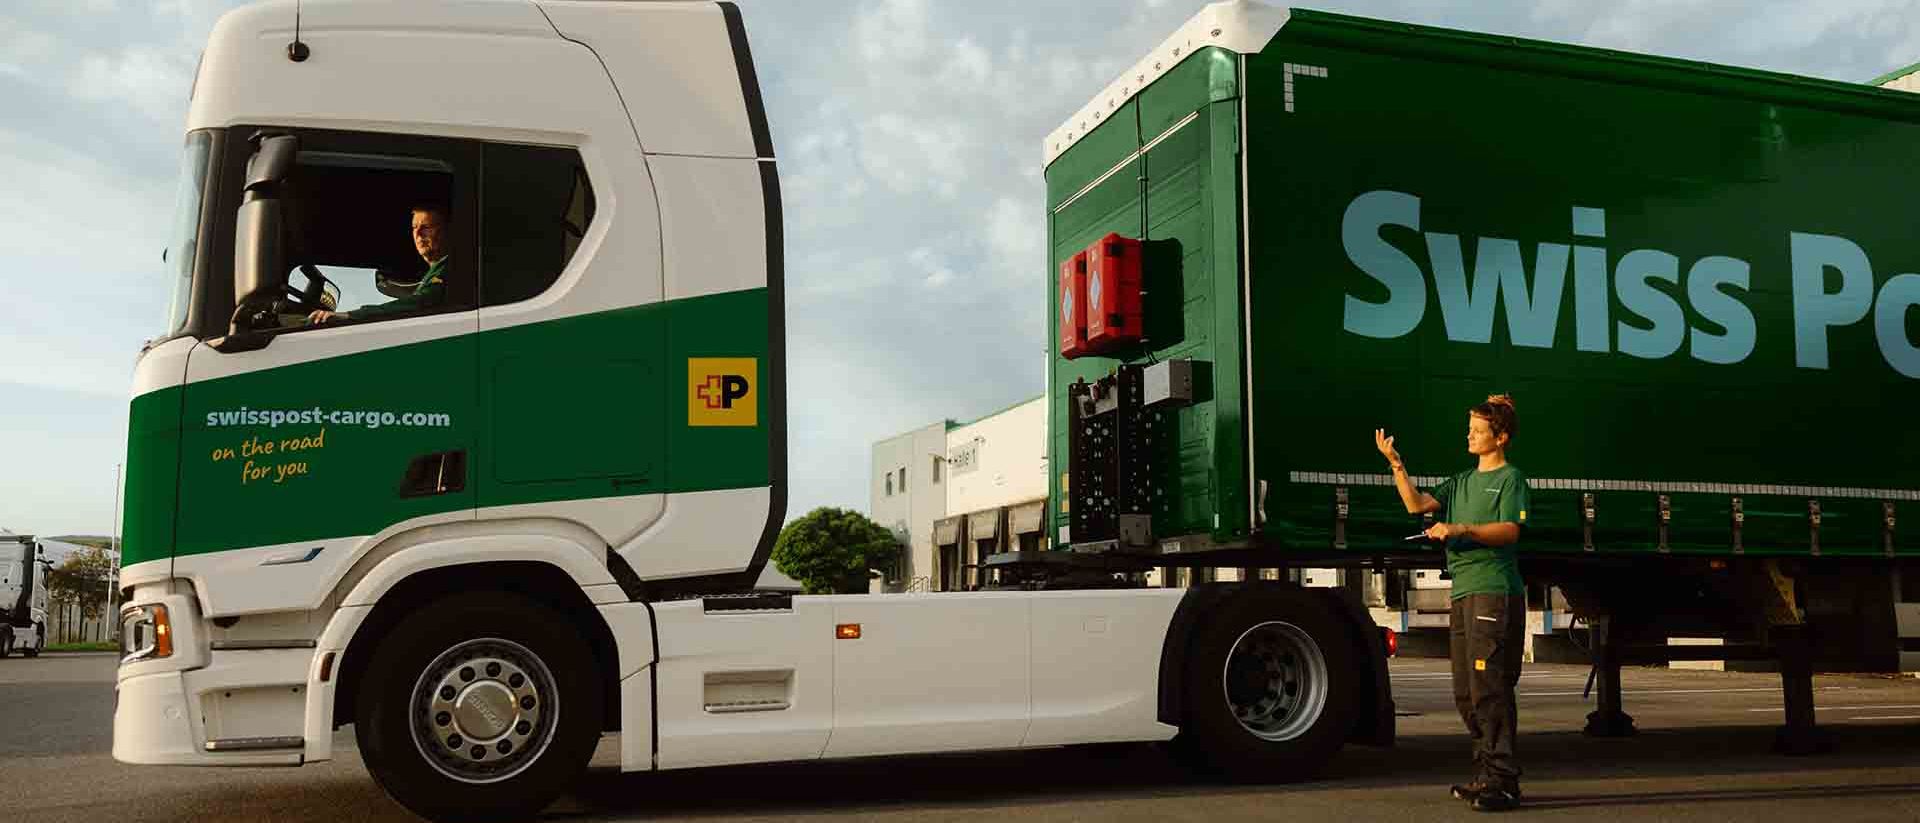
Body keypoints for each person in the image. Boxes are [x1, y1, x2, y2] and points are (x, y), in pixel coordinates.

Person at [1374, 394, 1530, 812]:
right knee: (1466, 691)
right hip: (1463, 591)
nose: (1470, 436)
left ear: (1500, 437)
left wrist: (1461, 527)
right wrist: (1396, 463)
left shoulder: (1511, 479)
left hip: (1494, 589)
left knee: (1490, 687)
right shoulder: (1461, 481)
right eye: (1470, 429)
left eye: (1478, 431)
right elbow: (1415, 504)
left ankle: (1504, 779)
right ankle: (1485, 774)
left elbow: (1510, 532)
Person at [308, 205, 450, 325]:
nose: (418, 233)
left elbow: (418, 304)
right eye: (414, 227)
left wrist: (351, 315)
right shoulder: (435, 271)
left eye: (426, 227)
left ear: (446, 230)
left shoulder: (448, 268)